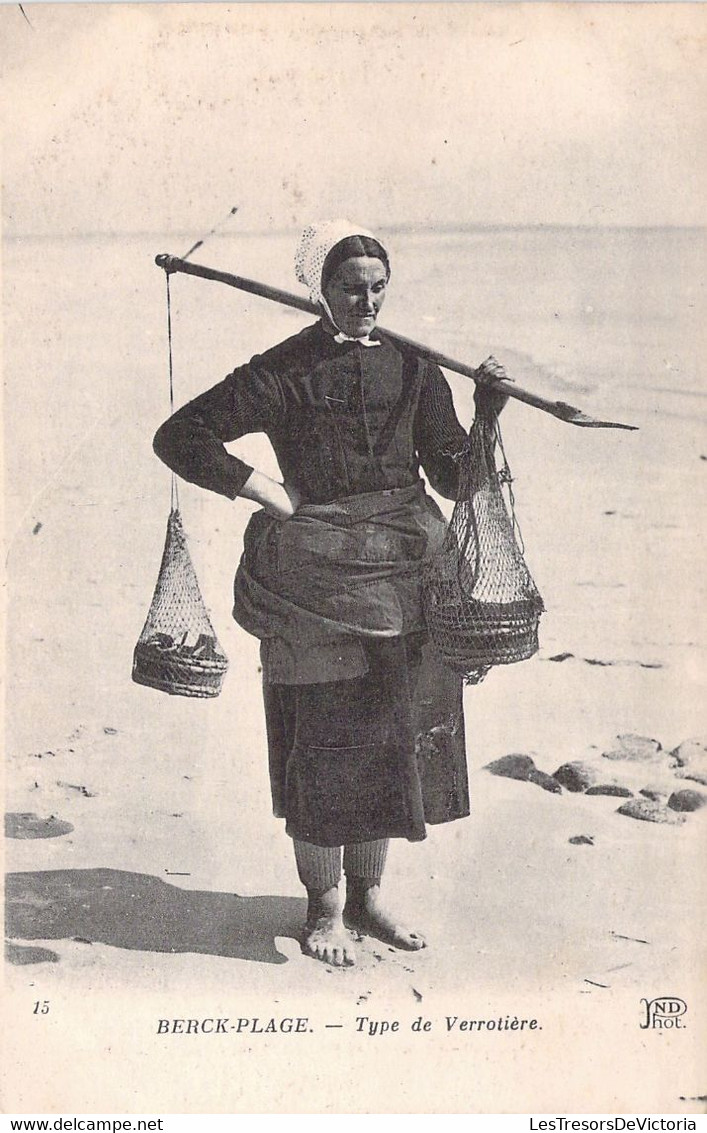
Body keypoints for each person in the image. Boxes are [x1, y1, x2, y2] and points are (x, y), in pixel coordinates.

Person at [153, 220, 508, 967]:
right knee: (324, 744)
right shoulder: (282, 370)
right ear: (319, 290)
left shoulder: (415, 368)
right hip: (314, 583)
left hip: (410, 577)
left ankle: (369, 896)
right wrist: (267, 492)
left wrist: (486, 416)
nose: (366, 302)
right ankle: (323, 907)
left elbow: (450, 477)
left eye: (378, 288)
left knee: (394, 740)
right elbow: (181, 435)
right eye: (351, 288)